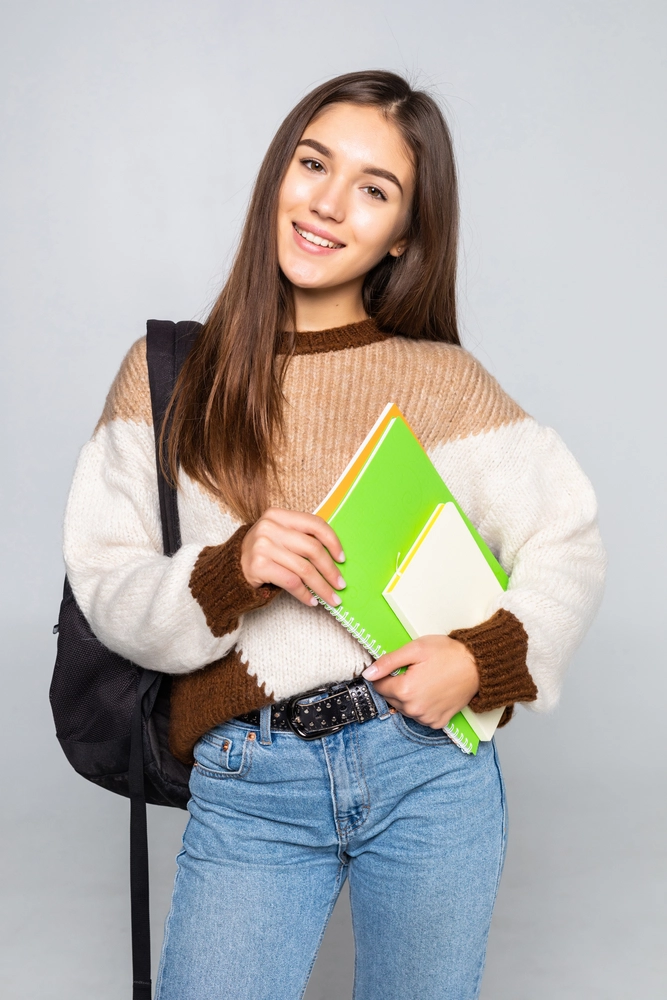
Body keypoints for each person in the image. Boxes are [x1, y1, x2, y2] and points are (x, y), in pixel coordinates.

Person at [63, 71, 606, 1000]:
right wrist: (229, 573)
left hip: (425, 768)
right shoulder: (167, 377)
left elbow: (569, 540)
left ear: (402, 234)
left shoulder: (440, 380)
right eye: (313, 163)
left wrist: (482, 660)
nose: (327, 202)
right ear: (278, 173)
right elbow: (109, 589)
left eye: (374, 188)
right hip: (248, 773)